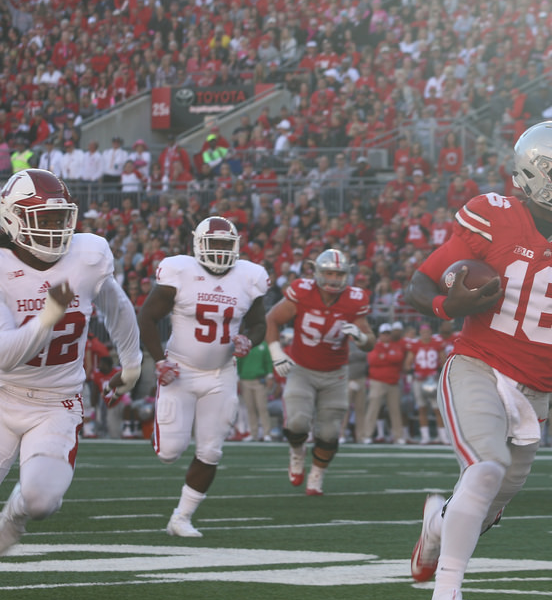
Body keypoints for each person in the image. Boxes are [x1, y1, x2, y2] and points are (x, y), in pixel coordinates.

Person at [404, 120, 552, 600]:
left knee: (488, 506)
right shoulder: (492, 217)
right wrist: (448, 304)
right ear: (535, 174)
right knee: (485, 469)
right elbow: (419, 284)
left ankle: (437, 525)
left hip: (536, 389)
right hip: (477, 363)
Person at [0, 169, 142, 555]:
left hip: (57, 402)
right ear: (11, 219)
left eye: (60, 219)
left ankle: (12, 517)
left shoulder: (87, 255)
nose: (54, 229)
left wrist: (131, 363)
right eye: (42, 220)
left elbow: (117, 306)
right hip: (3, 392)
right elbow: (4, 354)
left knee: (42, 500)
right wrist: (48, 317)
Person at [137, 216, 269, 537]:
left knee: (211, 450)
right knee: (169, 453)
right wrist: (158, 360)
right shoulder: (180, 271)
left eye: (226, 245)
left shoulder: (249, 277)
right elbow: (147, 317)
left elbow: (259, 324)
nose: (221, 251)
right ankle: (162, 431)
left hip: (221, 374)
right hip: (179, 370)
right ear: (198, 245)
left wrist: (249, 340)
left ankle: (181, 517)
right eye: (215, 244)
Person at [265, 249, 375, 494]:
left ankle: (316, 474)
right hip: (302, 368)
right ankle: (296, 452)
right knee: (296, 422)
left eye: (339, 274)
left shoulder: (355, 299)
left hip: (335, 373)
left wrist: (360, 337)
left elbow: (370, 341)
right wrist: (276, 353)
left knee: (329, 432)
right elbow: (271, 319)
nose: (334, 279)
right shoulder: (302, 291)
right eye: (328, 273)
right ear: (316, 272)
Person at [404, 323, 448, 445]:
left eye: (427, 332)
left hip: (432, 380)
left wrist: (438, 373)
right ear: (420, 333)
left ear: (431, 333)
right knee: (422, 408)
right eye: (423, 332)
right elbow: (408, 363)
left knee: (437, 408)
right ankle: (425, 437)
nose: (425, 335)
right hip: (419, 380)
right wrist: (412, 372)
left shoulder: (437, 344)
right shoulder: (415, 345)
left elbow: (443, 360)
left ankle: (443, 436)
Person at [236, 340, 274, 442]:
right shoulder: (244, 345)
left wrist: (270, 376)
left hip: (259, 380)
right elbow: (239, 361)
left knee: (262, 407)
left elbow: (268, 361)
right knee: (250, 408)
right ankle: (253, 433)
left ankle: (266, 433)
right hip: (245, 380)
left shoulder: (263, 345)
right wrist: (238, 378)